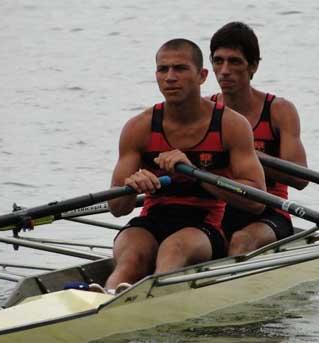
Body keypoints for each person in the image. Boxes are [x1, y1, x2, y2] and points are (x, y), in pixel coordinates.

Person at [98, 38, 266, 294]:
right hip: (152, 219)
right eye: (162, 69)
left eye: (180, 68)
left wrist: (198, 175)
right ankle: (106, 299)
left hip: (206, 225)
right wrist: (132, 188)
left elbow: (256, 198)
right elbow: (116, 208)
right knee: (131, 257)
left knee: (173, 251)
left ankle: (150, 300)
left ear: (201, 75)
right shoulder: (139, 127)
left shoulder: (231, 125)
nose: (170, 77)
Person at [209, 22, 309, 256]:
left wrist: (244, 157)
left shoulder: (279, 110)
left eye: (234, 61)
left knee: (241, 241)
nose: (224, 70)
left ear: (253, 67)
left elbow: (300, 177)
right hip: (218, 207)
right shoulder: (204, 110)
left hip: (270, 209)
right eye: (218, 61)